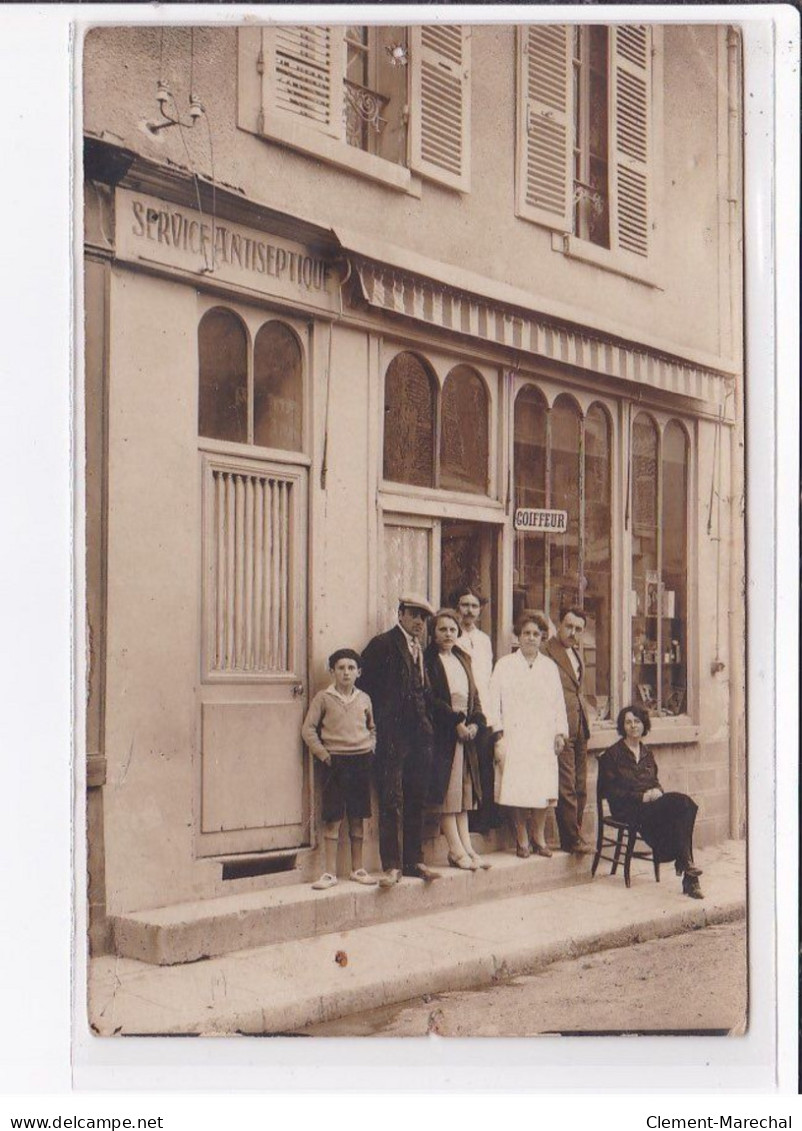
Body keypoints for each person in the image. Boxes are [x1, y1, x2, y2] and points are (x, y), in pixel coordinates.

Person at [359, 595, 442, 888]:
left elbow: (425, 693)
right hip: (393, 736)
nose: (419, 622)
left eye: (424, 617)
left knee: (416, 797)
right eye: (414, 615)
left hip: (419, 736)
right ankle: (392, 865)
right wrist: (377, 724)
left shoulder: (420, 649)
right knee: (392, 799)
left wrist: (427, 725)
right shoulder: (382, 645)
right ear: (401, 614)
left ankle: (413, 860)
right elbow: (362, 689)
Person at [486, 613, 568, 858]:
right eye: (526, 634)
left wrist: (560, 733)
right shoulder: (505, 665)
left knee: (542, 788)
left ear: (542, 637)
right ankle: (521, 838)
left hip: (542, 737)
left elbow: (558, 703)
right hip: (516, 736)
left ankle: (539, 836)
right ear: (518, 637)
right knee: (518, 788)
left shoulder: (549, 667)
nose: (531, 638)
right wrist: (498, 733)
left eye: (536, 634)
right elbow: (492, 702)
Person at [599, 705, 704, 898]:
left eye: (637, 721)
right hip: (627, 809)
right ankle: (688, 872)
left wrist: (657, 791)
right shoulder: (612, 755)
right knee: (680, 809)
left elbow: (655, 781)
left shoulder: (647, 754)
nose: (633, 726)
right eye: (628, 722)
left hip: (650, 807)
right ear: (623, 727)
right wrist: (641, 797)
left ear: (643, 725)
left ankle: (687, 868)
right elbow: (611, 792)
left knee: (686, 804)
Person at [301, 648, 378, 890]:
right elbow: (308, 730)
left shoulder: (364, 698)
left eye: (351, 668)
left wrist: (370, 747)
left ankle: (358, 869)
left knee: (358, 817)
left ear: (359, 672)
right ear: (332, 671)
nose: (346, 673)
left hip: (361, 762)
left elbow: (372, 727)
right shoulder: (323, 698)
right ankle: (329, 873)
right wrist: (324, 755)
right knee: (333, 818)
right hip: (335, 763)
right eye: (341, 668)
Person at [424, 608, 490, 871]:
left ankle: (468, 848)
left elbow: (473, 694)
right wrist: (455, 723)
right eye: (442, 629)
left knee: (463, 794)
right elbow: (430, 698)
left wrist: (475, 722)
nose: (448, 634)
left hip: (466, 733)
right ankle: (454, 848)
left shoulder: (463, 658)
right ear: (434, 632)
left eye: (452, 629)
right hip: (444, 733)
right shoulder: (428, 660)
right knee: (447, 793)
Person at [451, 586, 502, 834]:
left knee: (484, 765)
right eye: (464, 605)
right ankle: (464, 821)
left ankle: (485, 820)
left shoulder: (483, 640)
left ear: (480, 611)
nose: (469, 611)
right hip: (463, 711)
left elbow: (487, 679)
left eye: (473, 606)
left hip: (484, 712)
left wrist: (492, 718)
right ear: (457, 609)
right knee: (462, 768)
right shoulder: (452, 637)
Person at [542, 607, 593, 855]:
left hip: (580, 726)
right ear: (559, 625)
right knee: (566, 786)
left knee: (581, 784)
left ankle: (577, 833)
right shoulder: (546, 652)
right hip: (560, 728)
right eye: (569, 627)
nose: (573, 633)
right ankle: (570, 839)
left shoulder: (575, 654)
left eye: (578, 629)